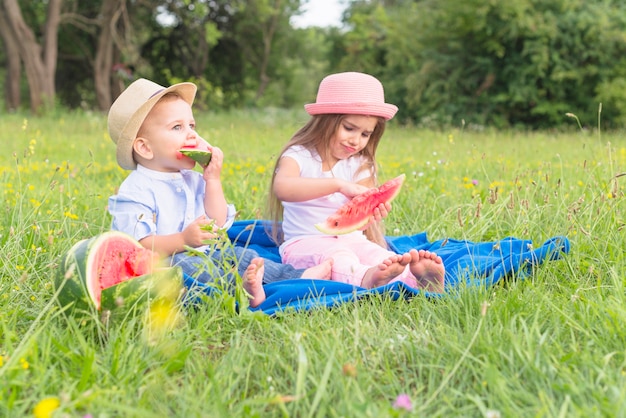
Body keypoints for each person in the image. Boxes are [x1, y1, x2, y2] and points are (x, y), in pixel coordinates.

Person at [107, 78, 332, 308]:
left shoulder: (192, 179)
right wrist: (183, 240)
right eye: (177, 127)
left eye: (191, 126)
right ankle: (242, 292)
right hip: (161, 265)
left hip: (205, 253)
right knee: (186, 268)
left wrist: (212, 179)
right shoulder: (136, 189)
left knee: (240, 255)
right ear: (145, 147)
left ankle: (296, 276)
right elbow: (139, 245)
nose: (192, 135)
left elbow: (218, 222)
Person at [268, 72, 445, 291]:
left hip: (353, 239)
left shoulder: (361, 164)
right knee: (339, 258)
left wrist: (372, 215)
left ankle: (419, 280)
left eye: (365, 134)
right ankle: (366, 279)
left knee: (381, 256)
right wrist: (338, 184)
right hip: (304, 244)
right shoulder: (298, 155)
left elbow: (363, 209)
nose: (356, 140)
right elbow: (283, 187)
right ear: (325, 122)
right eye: (349, 128)